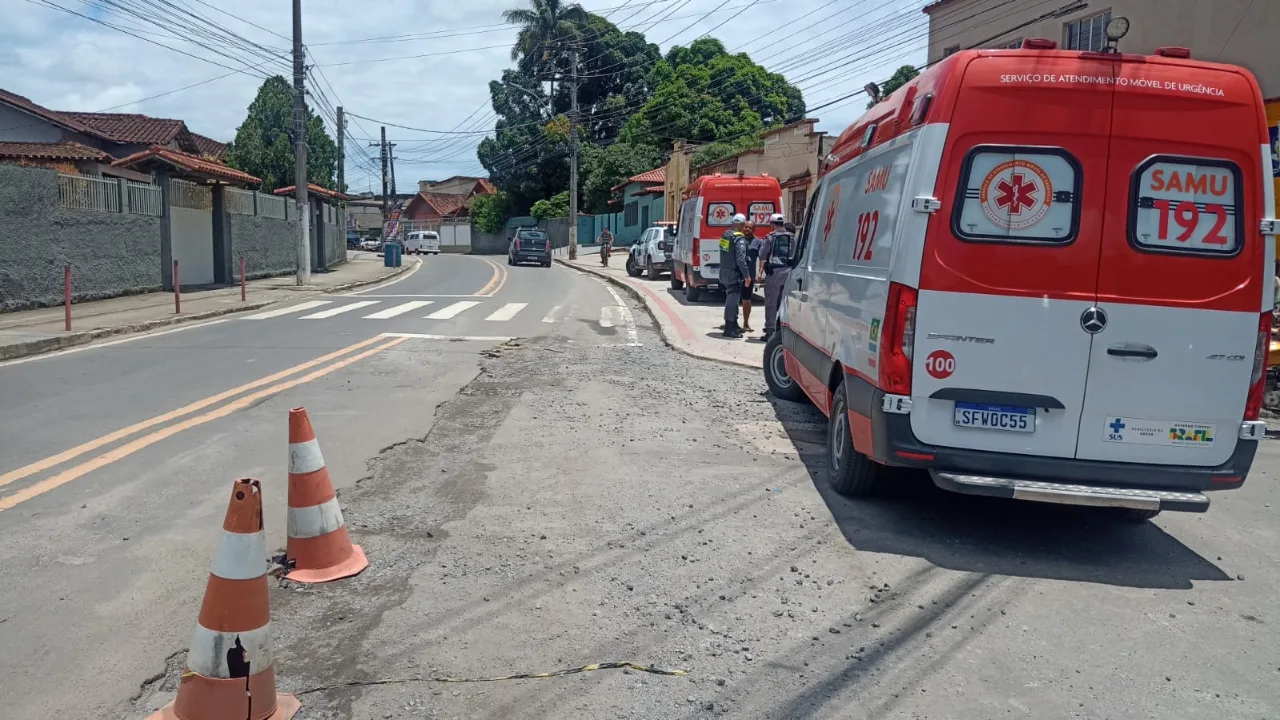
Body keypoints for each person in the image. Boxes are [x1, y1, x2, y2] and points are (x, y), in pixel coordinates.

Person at [760, 214, 796, 341]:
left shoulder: (770, 237)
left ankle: (770, 331)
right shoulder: (792, 237)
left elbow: (762, 255)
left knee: (771, 302)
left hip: (774, 273)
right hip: (789, 271)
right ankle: (781, 329)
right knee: (783, 302)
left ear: (772, 224)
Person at [719, 214, 751, 338]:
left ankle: (733, 323)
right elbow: (741, 260)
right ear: (742, 225)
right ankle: (729, 327)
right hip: (734, 273)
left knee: (732, 299)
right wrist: (747, 275)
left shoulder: (725, 235)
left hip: (725, 272)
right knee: (732, 301)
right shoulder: (739, 239)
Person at [742, 221, 759, 334]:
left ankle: (746, 323)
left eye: (750, 227)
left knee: (747, 300)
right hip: (737, 274)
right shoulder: (738, 240)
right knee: (732, 299)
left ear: (753, 229)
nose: (747, 229)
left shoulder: (758, 242)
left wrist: (760, 272)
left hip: (749, 275)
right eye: (746, 227)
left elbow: (763, 257)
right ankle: (731, 322)